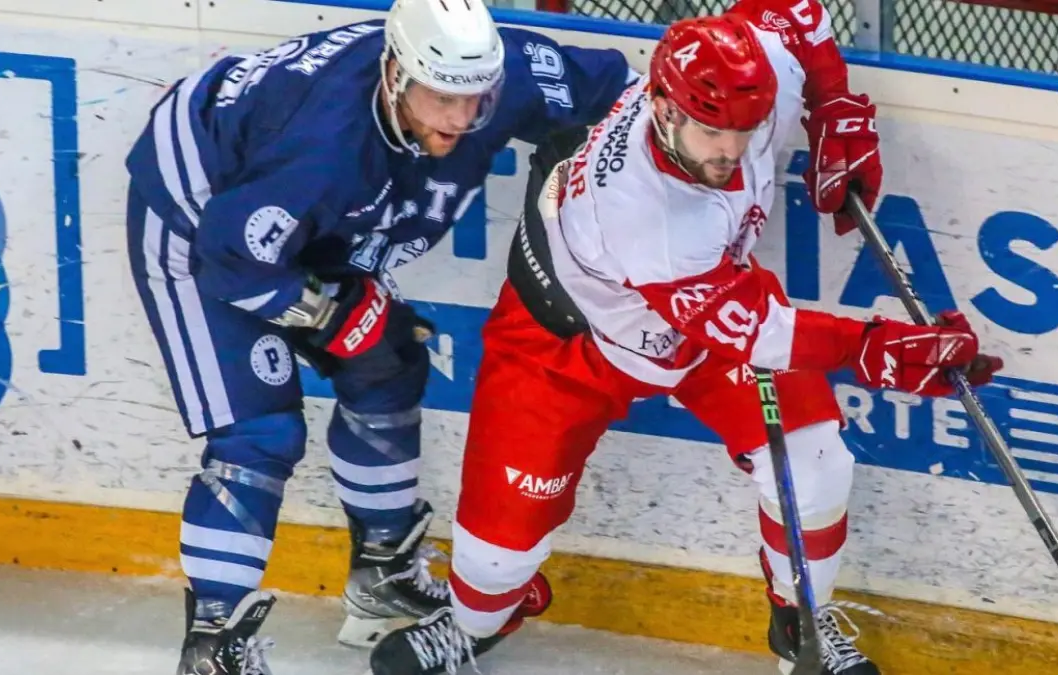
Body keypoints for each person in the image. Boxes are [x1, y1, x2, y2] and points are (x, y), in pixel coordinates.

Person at [366, 4, 1003, 675]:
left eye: (745, 131)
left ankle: (802, 625)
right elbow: (757, 331)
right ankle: (475, 622)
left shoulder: (752, 80)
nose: (730, 151)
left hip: (708, 314)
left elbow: (796, 15)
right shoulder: (643, 209)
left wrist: (834, 105)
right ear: (665, 109)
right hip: (564, 342)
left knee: (816, 464)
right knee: (493, 561)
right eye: (711, 132)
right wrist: (879, 349)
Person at [122, 0, 636, 670]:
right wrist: (332, 317)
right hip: (202, 224)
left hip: (306, 218)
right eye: (443, 98)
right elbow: (232, 260)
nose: (461, 118)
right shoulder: (321, 146)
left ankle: (382, 572)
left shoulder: (502, 73)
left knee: (387, 362)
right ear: (395, 75)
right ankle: (212, 645)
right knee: (258, 434)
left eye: (475, 99)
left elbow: (634, 95)